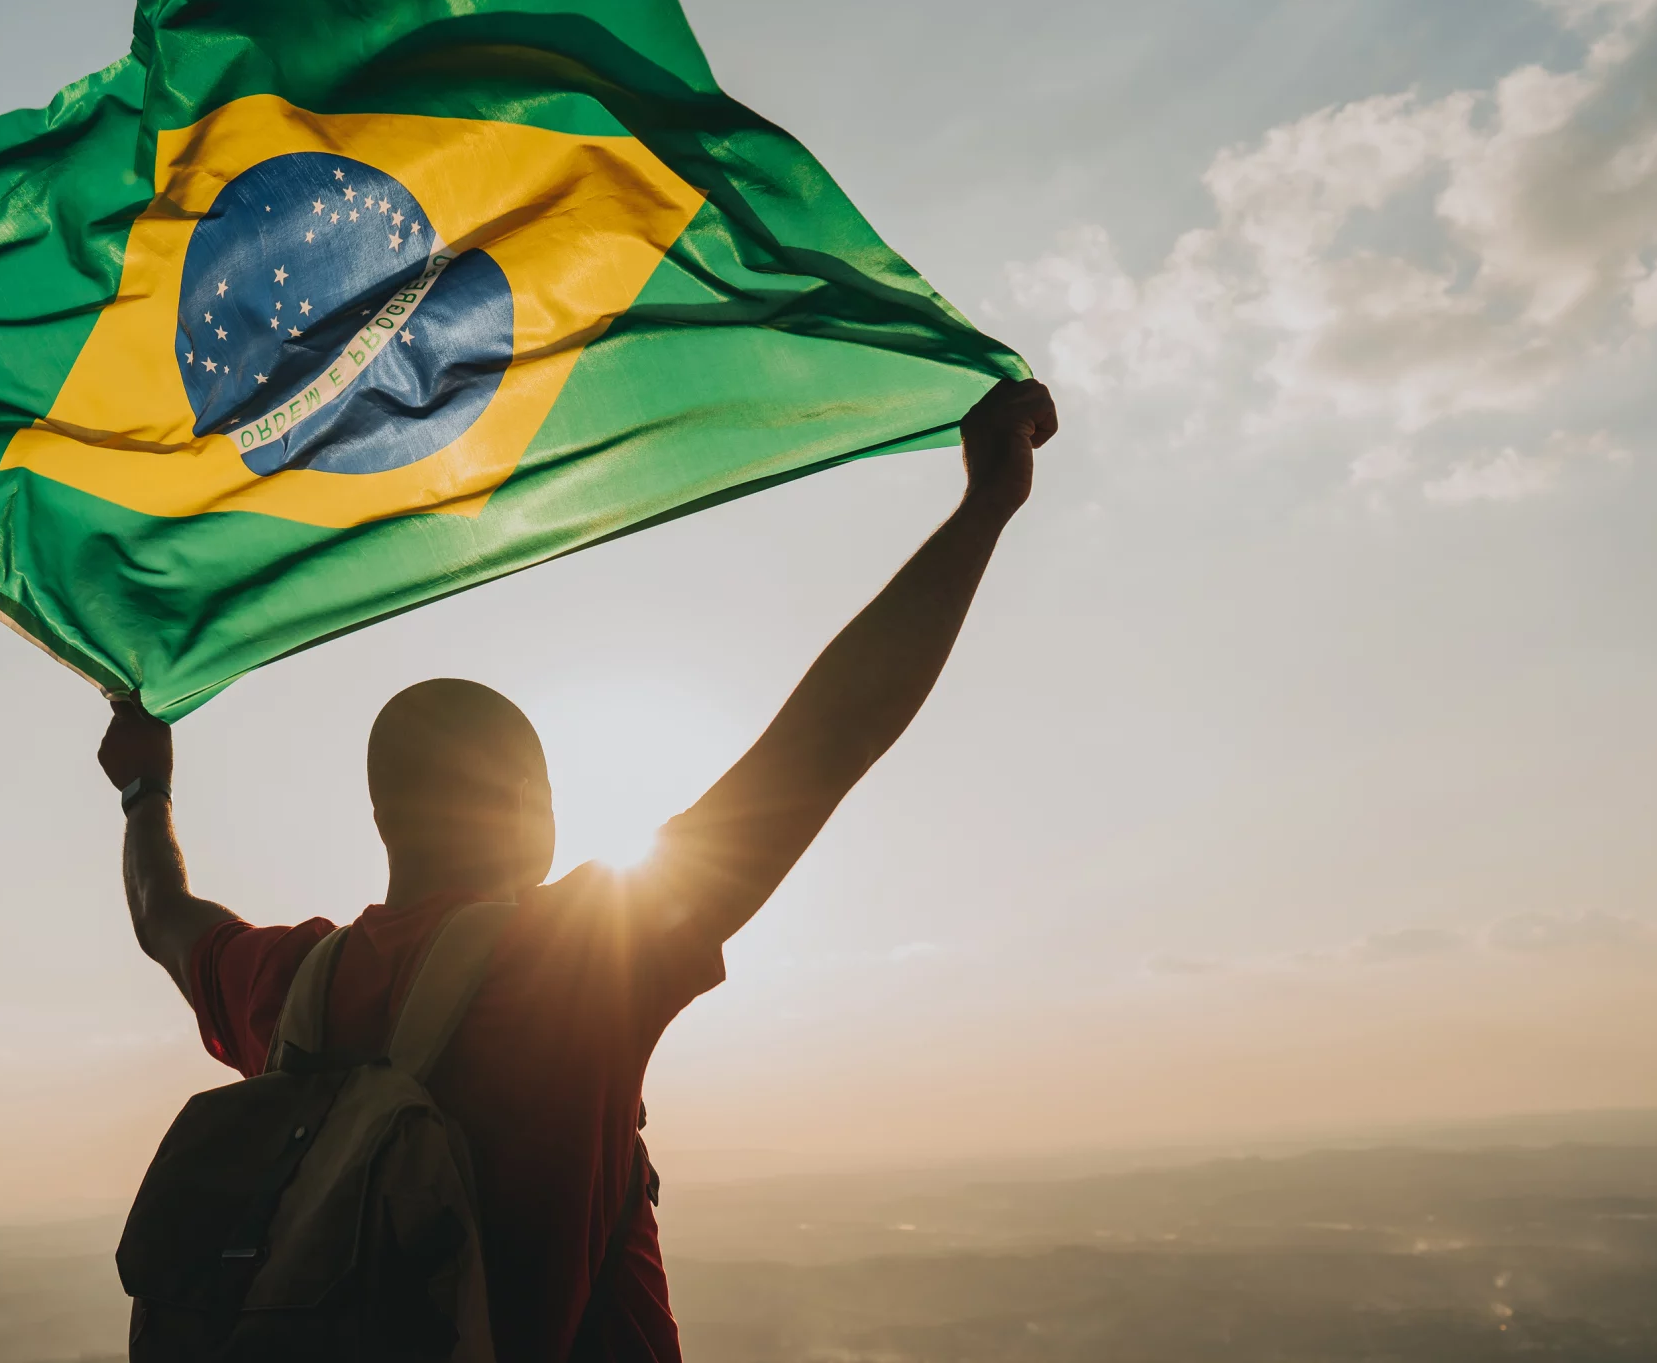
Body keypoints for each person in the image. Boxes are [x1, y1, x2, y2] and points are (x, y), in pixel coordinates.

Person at [100, 377, 1058, 1362]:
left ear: (384, 817)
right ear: (533, 811)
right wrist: (986, 508)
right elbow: (821, 745)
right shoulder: (575, 957)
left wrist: (144, 789)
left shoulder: (293, 987)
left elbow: (161, 913)